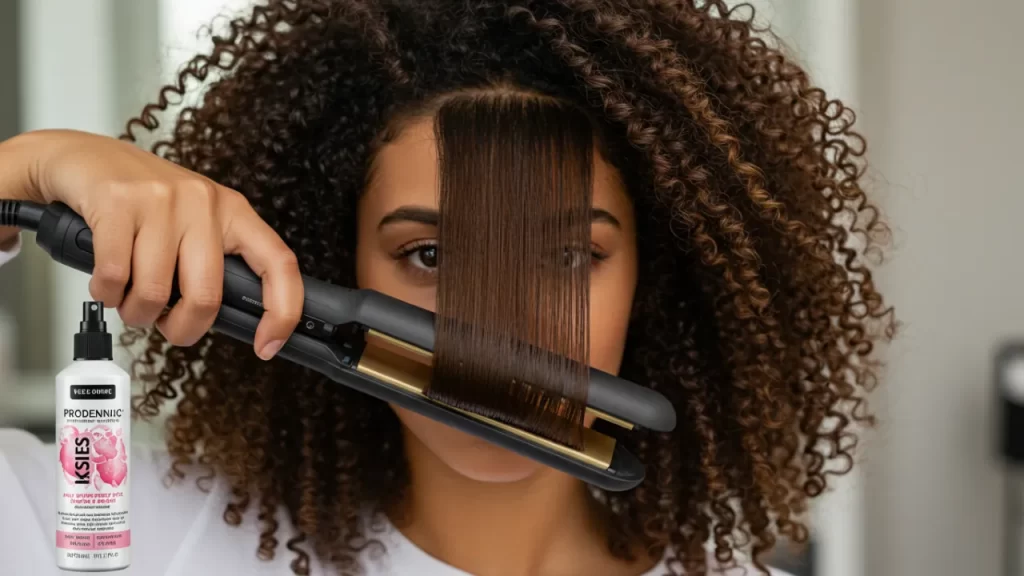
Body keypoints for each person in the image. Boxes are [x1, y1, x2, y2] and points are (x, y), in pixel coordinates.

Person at [0, 1, 895, 575]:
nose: (497, 327)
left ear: (651, 283)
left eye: (566, 259)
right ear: (329, 260)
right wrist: (25, 171)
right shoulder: (109, 527)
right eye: (429, 256)